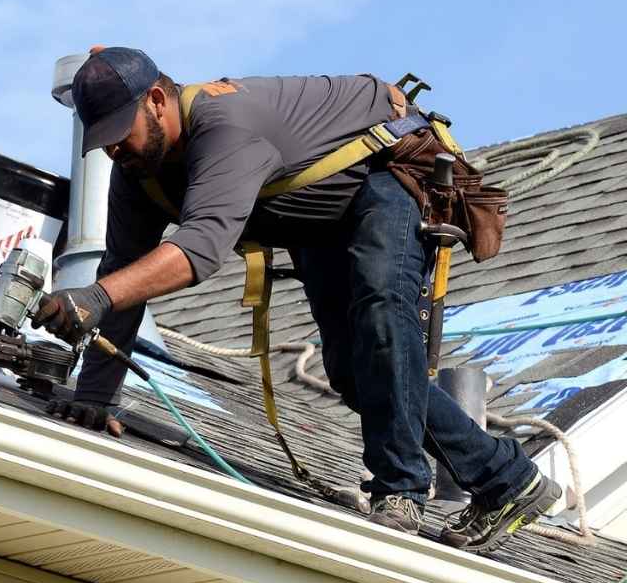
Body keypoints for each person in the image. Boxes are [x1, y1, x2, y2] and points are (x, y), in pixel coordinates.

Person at [33, 46, 560, 553]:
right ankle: (507, 479)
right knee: (355, 373)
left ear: (155, 99)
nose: (114, 149)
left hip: (382, 176)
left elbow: (198, 249)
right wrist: (95, 398)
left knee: (382, 313)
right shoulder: (139, 176)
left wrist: (93, 299)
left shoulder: (225, 125)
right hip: (315, 217)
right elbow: (124, 279)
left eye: (120, 132)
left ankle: (399, 489)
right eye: (103, 140)